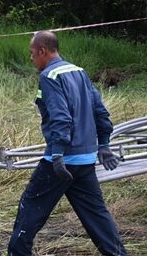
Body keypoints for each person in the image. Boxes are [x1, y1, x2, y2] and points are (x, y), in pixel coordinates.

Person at [7, 31, 126, 256]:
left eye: (32, 54)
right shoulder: (79, 72)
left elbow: (61, 117)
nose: (32, 59)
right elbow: (100, 111)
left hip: (60, 162)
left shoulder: (49, 77)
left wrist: (58, 154)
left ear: (43, 51)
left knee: (29, 212)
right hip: (85, 161)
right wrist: (104, 145)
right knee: (98, 218)